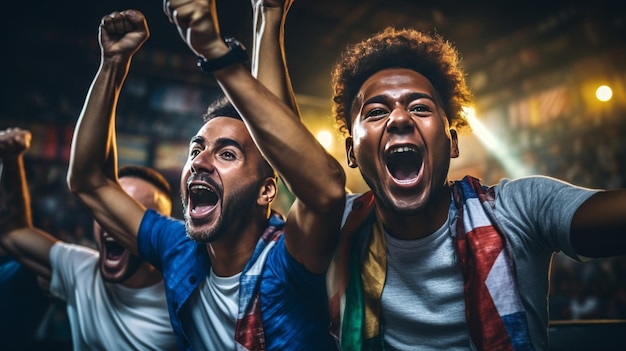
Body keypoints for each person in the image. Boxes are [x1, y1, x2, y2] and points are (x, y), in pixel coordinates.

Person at [325, 27, 626, 350]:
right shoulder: (334, 224)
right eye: (377, 112)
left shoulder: (515, 210)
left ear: (452, 143)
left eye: (420, 107)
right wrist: (268, 24)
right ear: (351, 153)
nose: (399, 118)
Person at [67, 1, 345, 350]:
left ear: (266, 191)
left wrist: (244, 34)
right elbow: (88, 181)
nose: (200, 162)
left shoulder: (289, 258)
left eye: (227, 153)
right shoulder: (178, 249)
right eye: (196, 150)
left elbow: (326, 188)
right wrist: (112, 64)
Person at [0, 127, 177, 350]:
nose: (116, 223)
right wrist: (11, 159)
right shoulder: (81, 269)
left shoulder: (186, 298)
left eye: (134, 216)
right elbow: (13, 233)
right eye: (108, 210)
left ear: (159, 233)